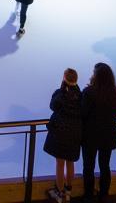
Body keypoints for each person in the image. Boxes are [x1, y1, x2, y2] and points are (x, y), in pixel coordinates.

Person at [80, 62, 116, 201]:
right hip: (108, 136)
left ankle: (88, 196)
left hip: (90, 136)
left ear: (96, 76)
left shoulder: (88, 92)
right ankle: (104, 194)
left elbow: (83, 112)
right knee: (105, 165)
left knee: (88, 167)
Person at [44, 69, 82, 203]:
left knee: (60, 164)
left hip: (60, 134)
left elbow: (53, 106)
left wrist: (61, 90)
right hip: (74, 135)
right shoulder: (81, 96)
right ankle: (68, 191)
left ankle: (59, 194)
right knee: (70, 163)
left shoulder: (60, 94)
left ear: (64, 78)